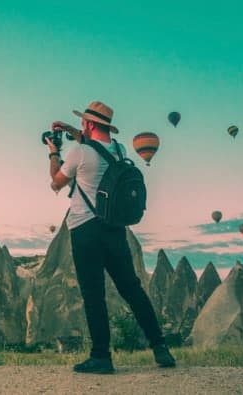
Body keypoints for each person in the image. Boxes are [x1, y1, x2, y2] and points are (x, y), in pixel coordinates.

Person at [46, 101, 176, 374]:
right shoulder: (119, 150)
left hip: (85, 229)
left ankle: (101, 357)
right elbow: (94, 145)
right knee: (132, 289)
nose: (81, 126)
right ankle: (160, 347)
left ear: (90, 124)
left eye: (83, 122)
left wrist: (53, 153)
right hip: (116, 230)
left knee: (94, 294)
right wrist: (69, 129)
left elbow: (56, 182)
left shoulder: (78, 153)